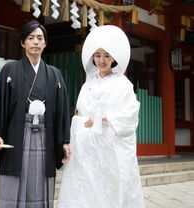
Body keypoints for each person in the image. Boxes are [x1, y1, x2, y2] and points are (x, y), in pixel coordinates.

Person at [0, 20, 71, 208]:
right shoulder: (9, 70)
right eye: (31, 38)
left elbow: (62, 111)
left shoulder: (55, 75)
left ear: (45, 43)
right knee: (14, 181)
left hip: (45, 138)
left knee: (40, 182)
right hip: (16, 135)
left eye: (40, 38)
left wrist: (64, 141)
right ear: (23, 43)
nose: (36, 42)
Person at [57, 25, 145, 208]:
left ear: (114, 57)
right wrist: (82, 123)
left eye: (106, 55)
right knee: (87, 194)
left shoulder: (123, 85)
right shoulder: (87, 86)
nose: (101, 60)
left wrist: (106, 117)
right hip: (89, 151)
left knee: (112, 194)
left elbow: (130, 116)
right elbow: (79, 116)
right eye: (97, 55)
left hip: (111, 152)